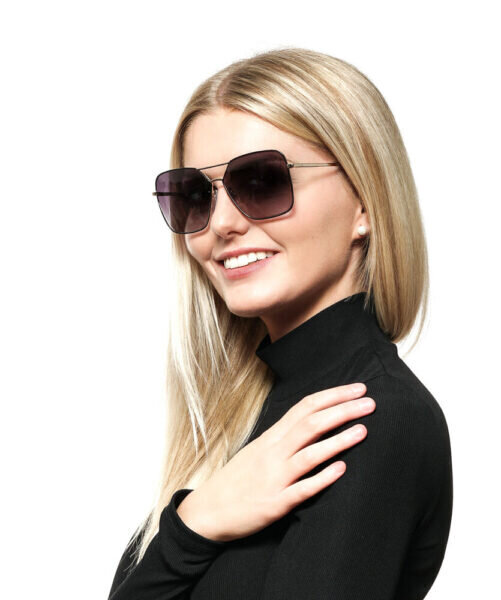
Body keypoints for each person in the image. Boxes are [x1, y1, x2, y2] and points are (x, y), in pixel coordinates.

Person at [107, 47, 452, 600]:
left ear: (364, 203)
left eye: (262, 181)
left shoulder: (372, 418)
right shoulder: (237, 418)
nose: (221, 224)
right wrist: (197, 520)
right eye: (195, 195)